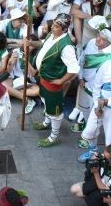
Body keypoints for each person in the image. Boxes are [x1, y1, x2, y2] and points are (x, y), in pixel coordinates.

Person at [31, 15, 80, 147]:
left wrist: (61, 81)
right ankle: (46, 123)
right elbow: (43, 44)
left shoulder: (67, 47)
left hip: (53, 83)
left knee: (55, 111)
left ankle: (54, 136)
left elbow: (74, 69)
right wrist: (31, 43)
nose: (52, 27)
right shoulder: (51, 35)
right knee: (45, 101)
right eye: (53, 24)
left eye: (56, 26)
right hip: (43, 78)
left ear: (64, 29)